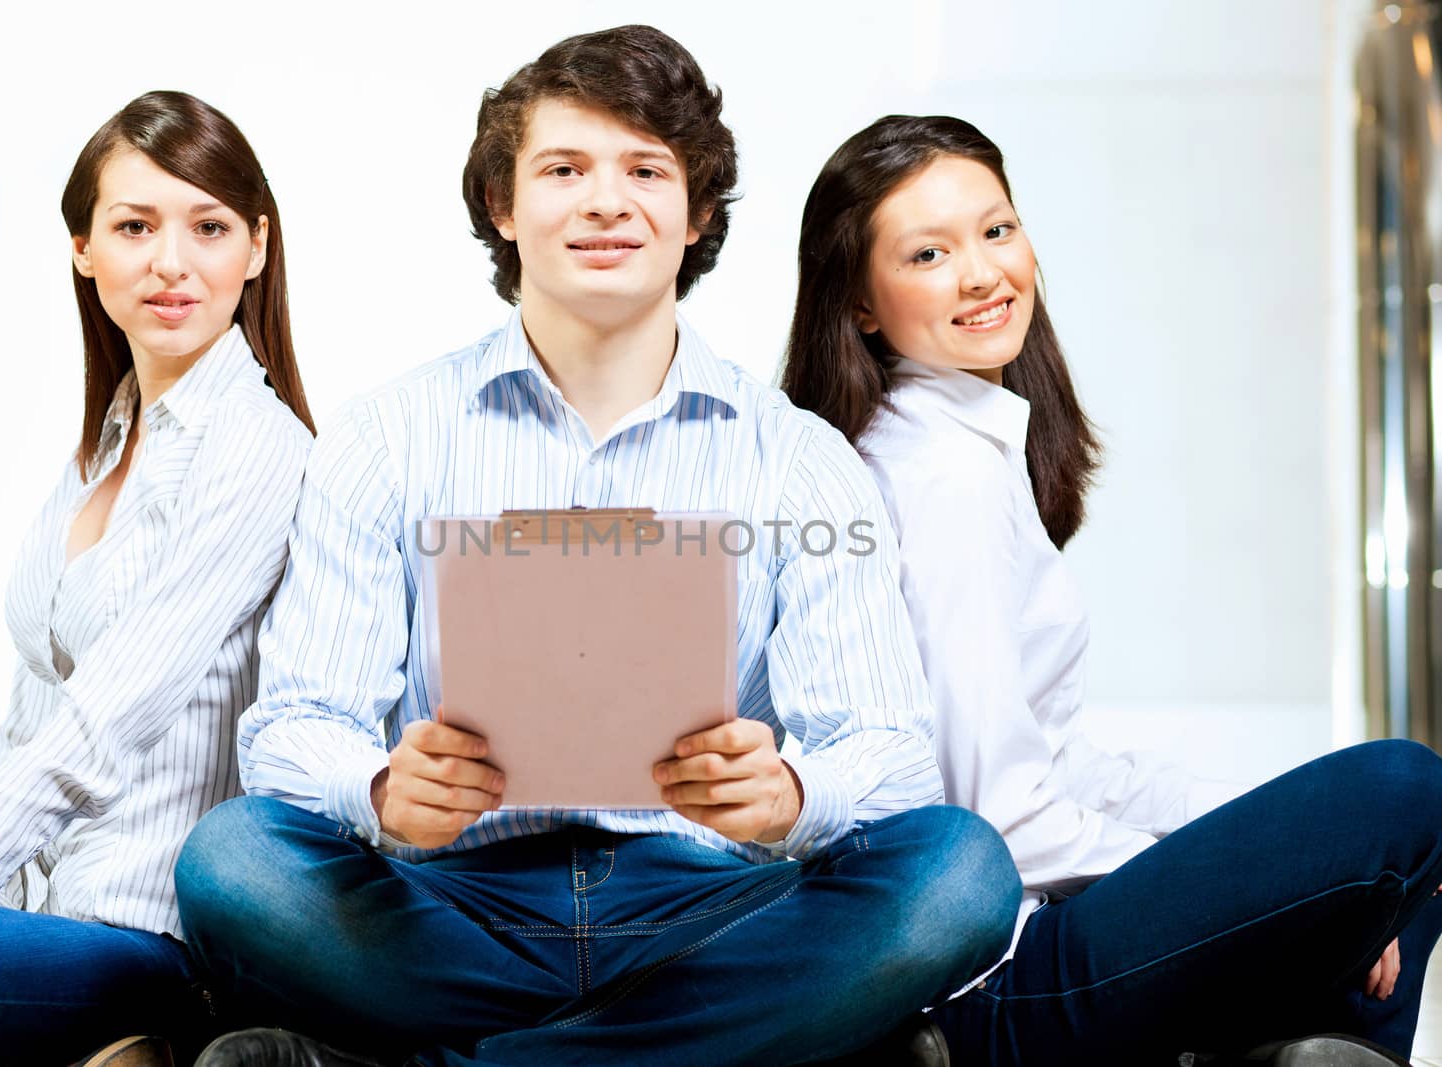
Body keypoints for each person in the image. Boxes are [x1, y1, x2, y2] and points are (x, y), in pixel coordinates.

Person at [174, 26, 1021, 1067]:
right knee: (233, 860)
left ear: (697, 211)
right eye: (564, 169)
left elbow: (890, 753)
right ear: (502, 204)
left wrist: (794, 791)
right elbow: (295, 726)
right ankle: (748, 1049)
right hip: (452, 907)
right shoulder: (385, 436)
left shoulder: (798, 459)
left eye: (646, 170)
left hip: (713, 910)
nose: (606, 201)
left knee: (960, 870)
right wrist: (383, 789)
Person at [780, 113, 1442, 1067]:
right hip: (994, 977)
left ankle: (1301, 1048)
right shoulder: (940, 477)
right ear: (862, 306)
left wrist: (1271, 846)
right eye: (929, 252)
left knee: (1379, 853)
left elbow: (1057, 761)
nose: (981, 272)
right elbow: (998, 818)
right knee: (1405, 788)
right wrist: (1279, 897)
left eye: (996, 230)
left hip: (1027, 943)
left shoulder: (967, 444)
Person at [0, 90, 315, 1066]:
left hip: (144, 939)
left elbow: (100, 725)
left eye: (208, 226)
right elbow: (27, 718)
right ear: (82, 247)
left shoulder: (258, 449)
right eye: (134, 225)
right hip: (37, 916)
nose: (170, 261)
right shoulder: (100, 453)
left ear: (257, 246)